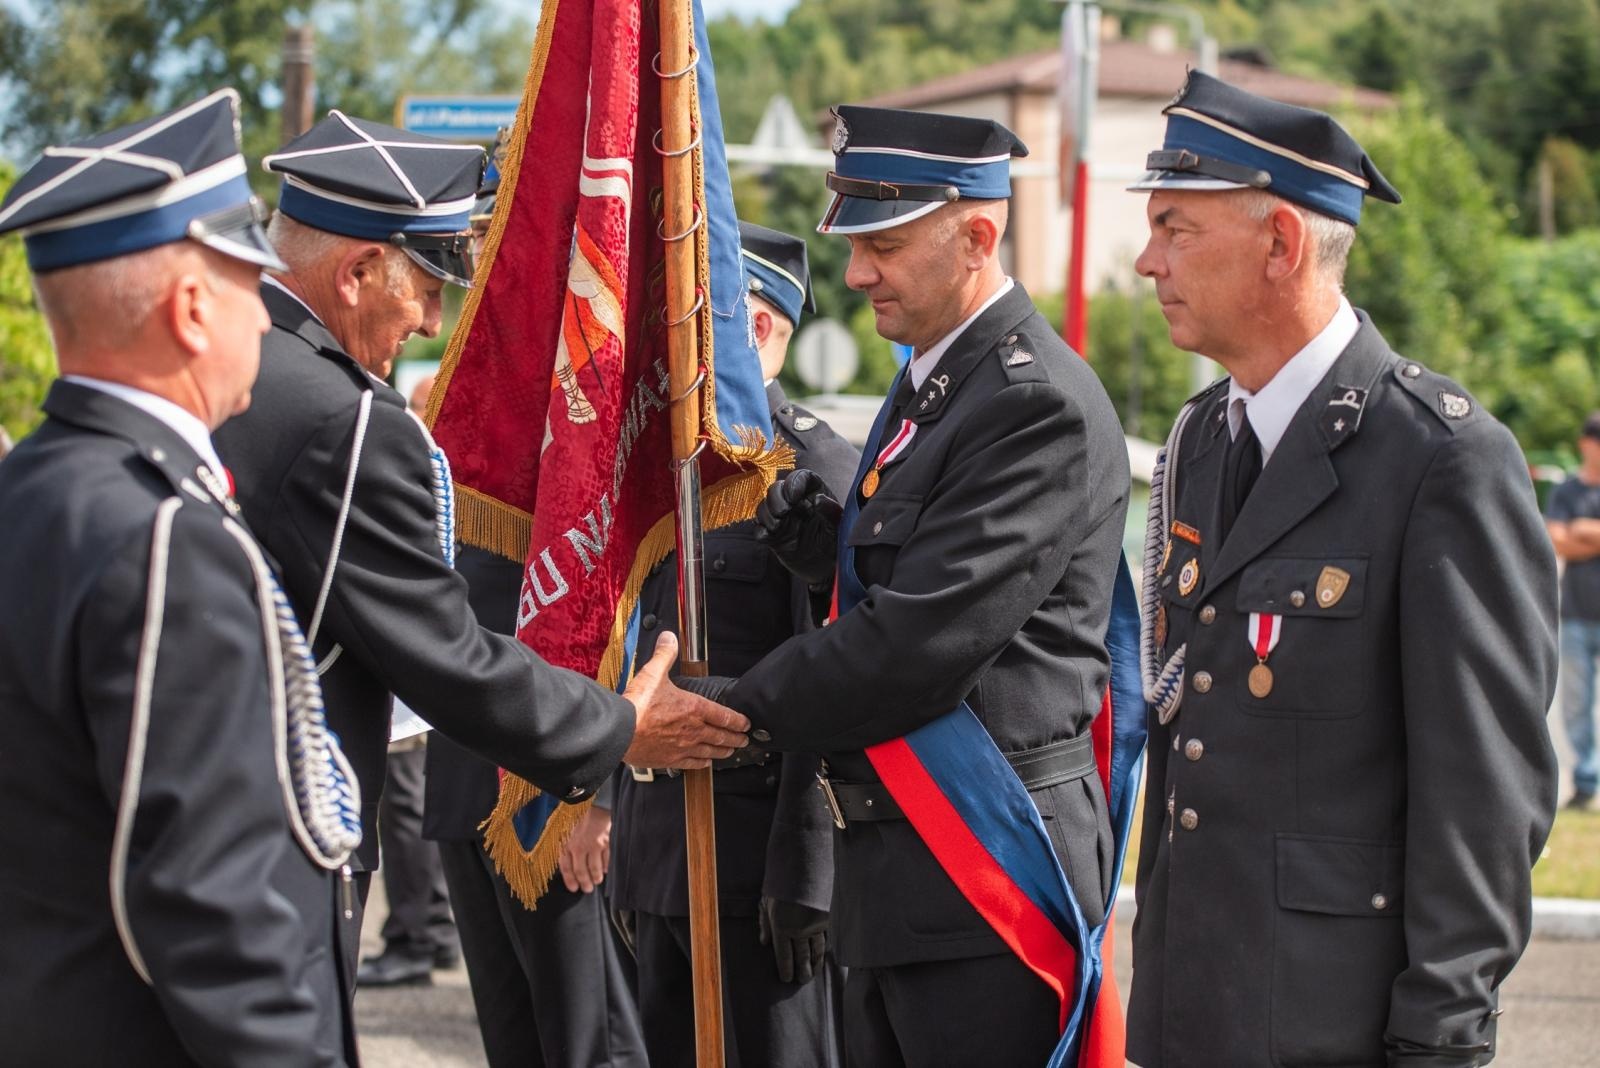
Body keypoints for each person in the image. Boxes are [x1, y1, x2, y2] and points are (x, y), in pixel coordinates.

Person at [212, 111, 751, 981]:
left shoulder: (228, 362)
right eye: (425, 286)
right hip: (272, 837)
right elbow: (446, 657)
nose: (432, 321)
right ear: (355, 274)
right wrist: (617, 726)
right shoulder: (345, 421)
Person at [1126, 72, 1559, 1068]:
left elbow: (1481, 798)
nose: (1148, 261)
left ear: (1280, 243)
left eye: (1177, 228)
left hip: (1336, 1027)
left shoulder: (1438, 459)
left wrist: (1442, 1035)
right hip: (1193, 1010)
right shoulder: (1200, 439)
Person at [689, 106, 1131, 1065]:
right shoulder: (942, 380)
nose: (855, 275)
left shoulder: (1031, 400)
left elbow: (916, 647)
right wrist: (821, 548)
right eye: (852, 246)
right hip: (903, 873)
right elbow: (905, 575)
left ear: (978, 235)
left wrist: (725, 712)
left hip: (988, 866)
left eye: (882, 246)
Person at [0, 90, 360, 1065]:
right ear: (193, 307)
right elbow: (219, 915)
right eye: (254, 282)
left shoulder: (29, 490)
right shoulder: (168, 536)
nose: (268, 313)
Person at [609, 221, 859, 1068]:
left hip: (759, 866)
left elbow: (833, 686)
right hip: (661, 851)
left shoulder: (810, 471)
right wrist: (632, 853)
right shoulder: (666, 466)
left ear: (754, 329)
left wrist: (807, 872)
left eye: (691, 323)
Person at [421, 148, 649, 1068]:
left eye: (496, 235)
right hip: (467, 769)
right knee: (516, 1045)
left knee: (590, 1046)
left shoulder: (588, 385)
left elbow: (619, 597)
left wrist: (593, 795)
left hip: (555, 787)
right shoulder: (475, 389)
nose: (480, 258)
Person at [355, 374, 463, 988]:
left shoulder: (426, 466)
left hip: (415, 676)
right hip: (422, 668)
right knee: (410, 808)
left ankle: (416, 936)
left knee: (404, 810)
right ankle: (426, 931)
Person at [1545, 412, 1600, 811]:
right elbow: (1556, 541)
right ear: (1585, 444)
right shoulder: (1566, 491)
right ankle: (1585, 781)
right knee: (1576, 704)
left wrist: (1582, 530)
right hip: (1578, 614)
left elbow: (1571, 536)